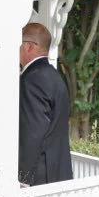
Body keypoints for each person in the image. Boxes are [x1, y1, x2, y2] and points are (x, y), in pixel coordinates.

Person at [19, 22, 73, 186]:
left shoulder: (33, 79)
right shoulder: (54, 75)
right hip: (57, 170)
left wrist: (23, 177)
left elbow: (33, 131)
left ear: (28, 46)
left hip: (39, 176)